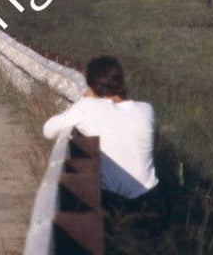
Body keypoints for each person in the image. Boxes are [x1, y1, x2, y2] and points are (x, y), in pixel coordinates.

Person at [42, 56, 158, 202]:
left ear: (92, 86)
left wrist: (85, 100)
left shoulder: (87, 107)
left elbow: (48, 130)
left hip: (113, 201)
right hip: (151, 197)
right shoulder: (147, 110)